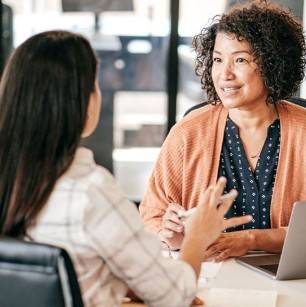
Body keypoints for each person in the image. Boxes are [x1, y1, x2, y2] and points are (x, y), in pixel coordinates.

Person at [0, 30, 251, 307]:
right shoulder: (90, 192)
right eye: (94, 85)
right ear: (80, 103)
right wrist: (197, 236)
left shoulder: (12, 182)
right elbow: (176, 295)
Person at [139, 0, 306, 261]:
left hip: (290, 281)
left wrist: (252, 239)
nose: (224, 74)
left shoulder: (303, 131)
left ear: (273, 63)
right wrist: (171, 236)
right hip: (208, 274)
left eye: (240, 59)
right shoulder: (188, 132)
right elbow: (152, 216)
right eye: (218, 59)